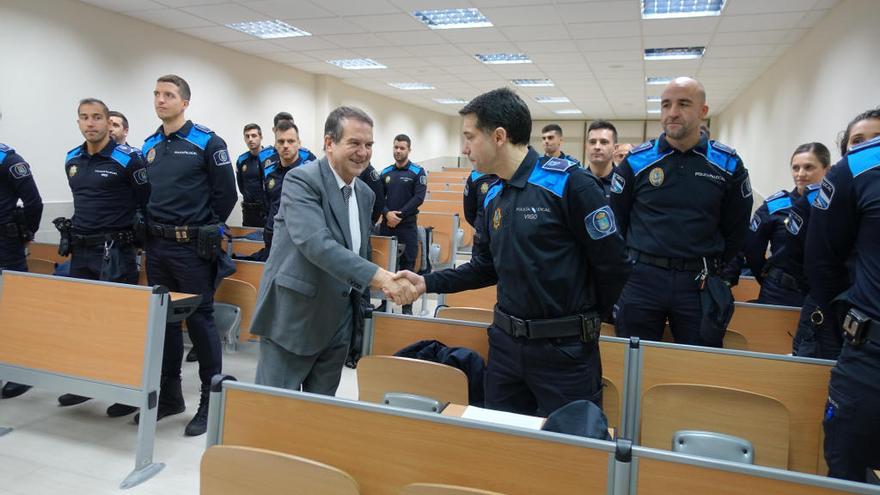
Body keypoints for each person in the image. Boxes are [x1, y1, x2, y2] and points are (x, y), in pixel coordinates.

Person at [394, 88, 631, 417]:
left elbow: (614, 265)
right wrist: (426, 283)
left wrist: (583, 320)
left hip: (564, 353)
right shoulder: (492, 196)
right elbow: (483, 269)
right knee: (502, 447)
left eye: (470, 137)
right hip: (506, 347)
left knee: (568, 455)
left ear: (499, 136)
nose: (464, 148)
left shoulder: (570, 184)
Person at [250, 106, 416, 394]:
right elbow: (317, 245)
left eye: (368, 145)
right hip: (293, 319)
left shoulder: (365, 194)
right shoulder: (302, 181)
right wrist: (381, 278)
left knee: (319, 416)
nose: (363, 152)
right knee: (274, 418)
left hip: (338, 322)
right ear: (329, 143)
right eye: (354, 143)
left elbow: (358, 252)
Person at [610, 77, 752, 346]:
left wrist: (717, 272)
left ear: (703, 112)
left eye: (683, 104)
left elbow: (737, 228)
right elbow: (617, 221)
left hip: (698, 282)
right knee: (632, 361)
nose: (672, 113)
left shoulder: (727, 164)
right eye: (666, 105)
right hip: (641, 279)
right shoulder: (637, 162)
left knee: (697, 366)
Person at [140, 74, 237, 436]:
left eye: (168, 95)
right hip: (158, 245)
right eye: (156, 94)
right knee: (164, 323)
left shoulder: (207, 142)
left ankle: (210, 400)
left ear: (185, 102)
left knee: (200, 322)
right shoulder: (150, 144)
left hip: (193, 247)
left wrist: (206, 227)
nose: (160, 100)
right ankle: (170, 395)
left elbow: (226, 195)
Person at [54, 98, 149, 416]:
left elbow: (145, 201)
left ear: (108, 123)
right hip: (81, 250)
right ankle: (85, 384)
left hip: (116, 253)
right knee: (84, 323)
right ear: (78, 122)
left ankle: (125, 390)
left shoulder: (129, 160)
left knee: (119, 325)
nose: (90, 123)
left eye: (97, 117)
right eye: (84, 118)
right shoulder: (72, 159)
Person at [807, 121, 880, 483]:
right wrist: (850, 318)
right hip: (870, 353)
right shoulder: (860, 168)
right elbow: (822, 262)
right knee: (848, 471)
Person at [795, 110, 880, 359]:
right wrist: (843, 312)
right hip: (838, 313)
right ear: (846, 152)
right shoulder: (822, 197)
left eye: (878, 138)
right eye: (858, 141)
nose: (871, 147)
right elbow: (812, 261)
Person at [745, 143, 831, 307]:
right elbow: (751, 250)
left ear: (827, 169)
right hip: (781, 291)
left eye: (808, 167)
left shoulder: (839, 208)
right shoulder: (775, 206)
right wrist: (769, 276)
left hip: (825, 293)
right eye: (795, 168)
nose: (800, 174)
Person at [0, 143, 43, 400]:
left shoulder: (9, 160)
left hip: (5, 244)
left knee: (14, 309)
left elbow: (33, 203)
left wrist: (26, 234)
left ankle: (21, 373)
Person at [378, 134, 427, 315]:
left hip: (407, 226)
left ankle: (407, 306)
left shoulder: (417, 172)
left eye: (402, 148)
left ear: (409, 150)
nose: (398, 151)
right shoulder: (385, 173)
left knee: (407, 265)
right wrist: (386, 213)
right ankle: (385, 303)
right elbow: (379, 198)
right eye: (396, 147)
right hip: (387, 225)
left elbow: (418, 197)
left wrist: (399, 214)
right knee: (387, 266)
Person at [262, 120, 311, 254]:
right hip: (271, 235)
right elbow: (268, 203)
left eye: (291, 141)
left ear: (299, 143)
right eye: (281, 141)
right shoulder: (269, 172)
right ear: (275, 145)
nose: (285, 146)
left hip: (297, 239)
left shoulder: (310, 173)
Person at [236, 123, 267, 227]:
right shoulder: (241, 160)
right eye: (247, 136)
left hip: (267, 210)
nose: (250, 139)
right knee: (249, 241)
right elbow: (241, 186)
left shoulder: (271, 157)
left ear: (261, 137)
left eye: (254, 135)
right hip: (249, 211)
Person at [585, 120, 619, 201]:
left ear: (615, 148)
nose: (597, 147)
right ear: (586, 147)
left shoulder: (625, 183)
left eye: (604, 142)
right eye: (592, 142)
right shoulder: (575, 182)